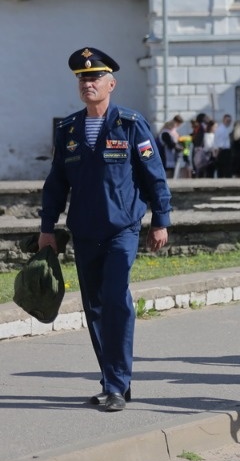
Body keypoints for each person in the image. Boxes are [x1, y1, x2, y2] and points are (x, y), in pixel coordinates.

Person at [39, 47, 171, 412]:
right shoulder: (68, 129)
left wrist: (161, 219)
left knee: (116, 300)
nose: (88, 83)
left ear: (111, 83)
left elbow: (153, 175)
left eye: (95, 77)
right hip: (84, 232)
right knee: (95, 308)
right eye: (83, 78)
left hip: (122, 229)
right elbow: (56, 183)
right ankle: (112, 382)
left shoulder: (130, 124)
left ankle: (117, 383)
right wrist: (47, 227)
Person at [159, 115, 185, 179]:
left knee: (173, 170)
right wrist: (179, 147)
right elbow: (171, 144)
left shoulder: (172, 132)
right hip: (166, 154)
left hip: (173, 154)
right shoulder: (165, 133)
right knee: (168, 170)